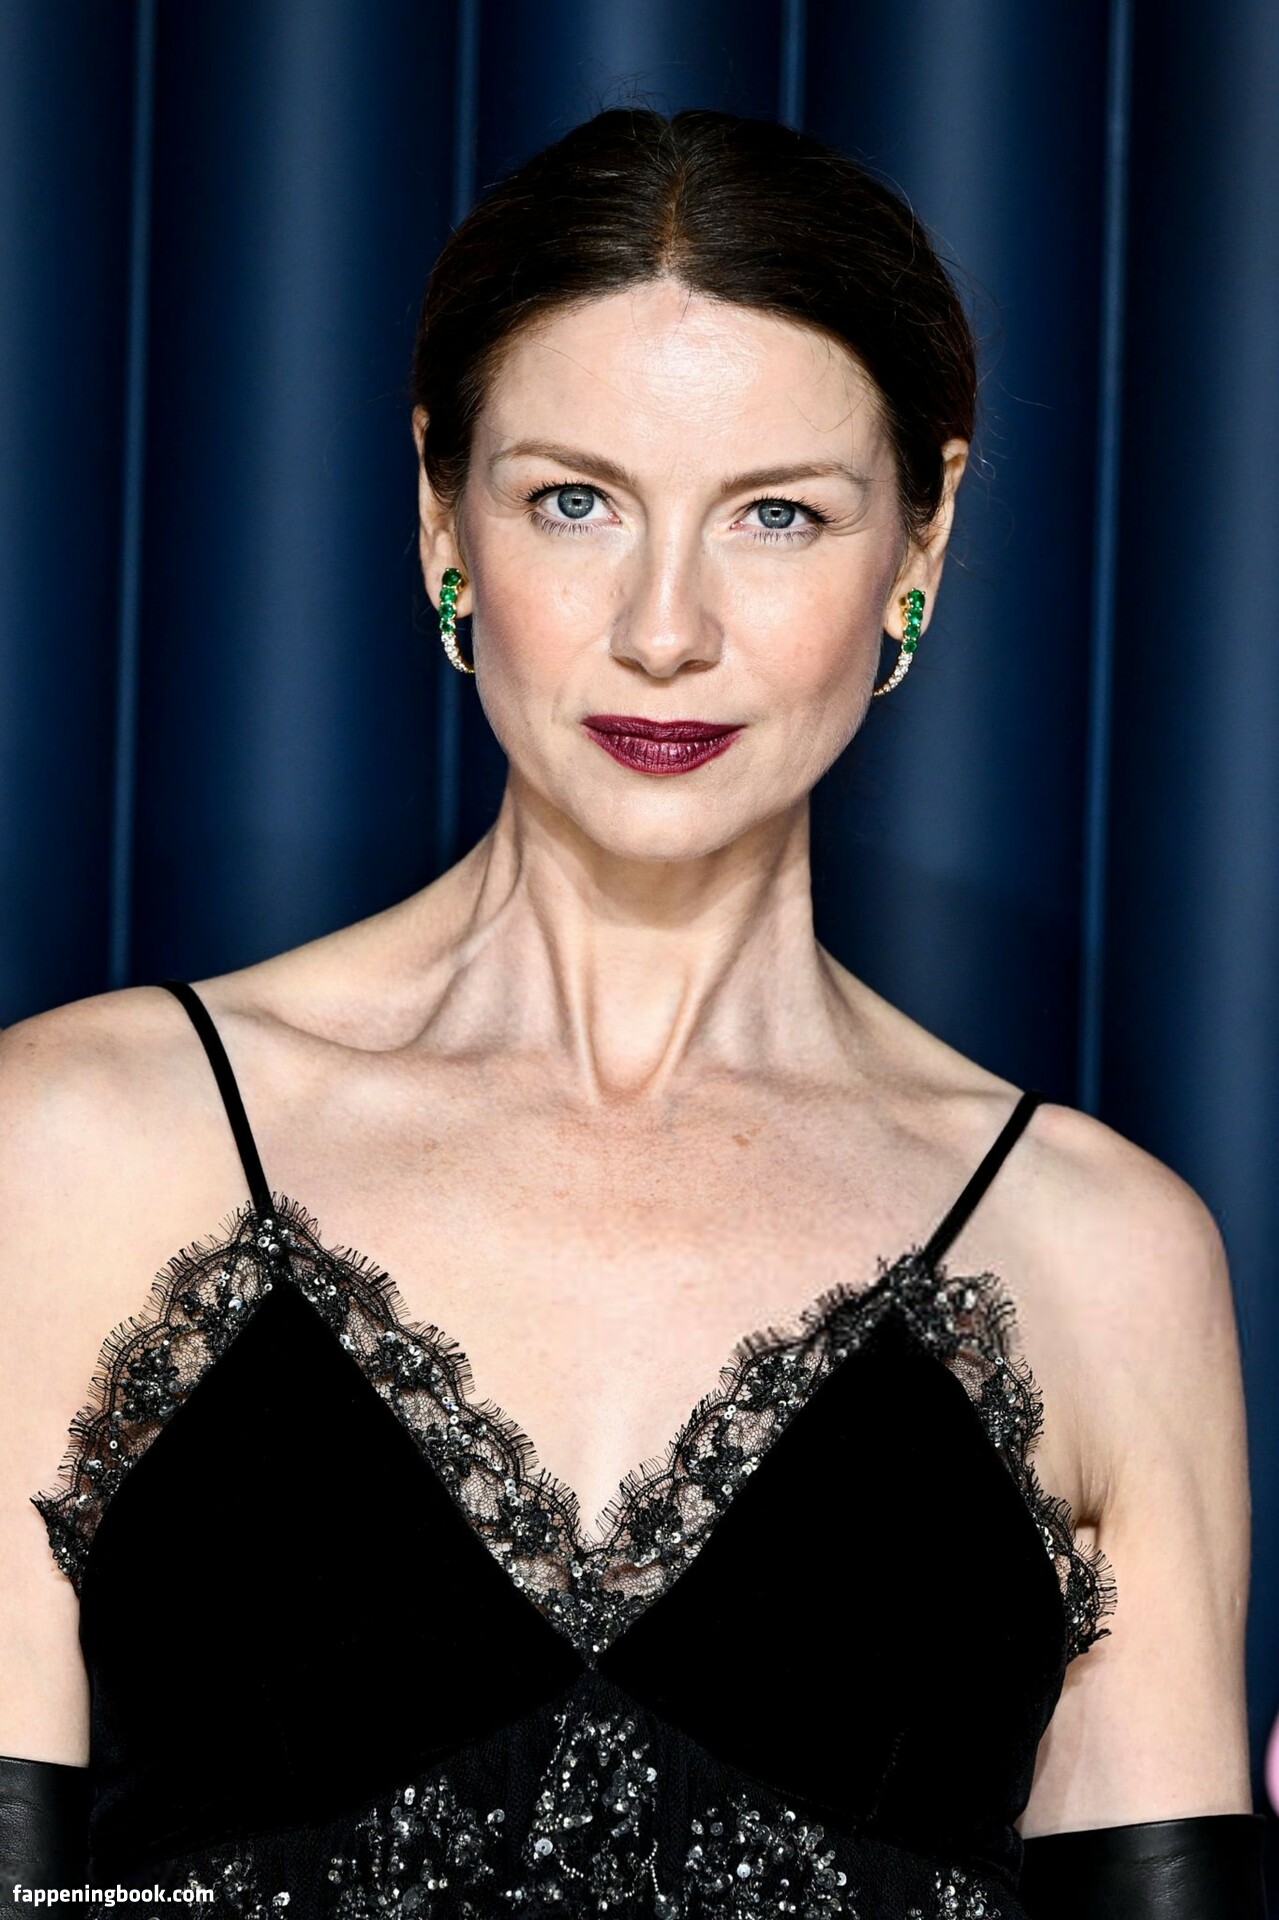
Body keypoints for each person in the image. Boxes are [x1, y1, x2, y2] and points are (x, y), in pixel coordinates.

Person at [0, 107, 1266, 1920]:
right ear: (438, 508)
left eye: (778, 515)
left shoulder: (1105, 1258)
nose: (665, 630)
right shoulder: (81, 1147)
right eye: (574, 502)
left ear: (921, 539)